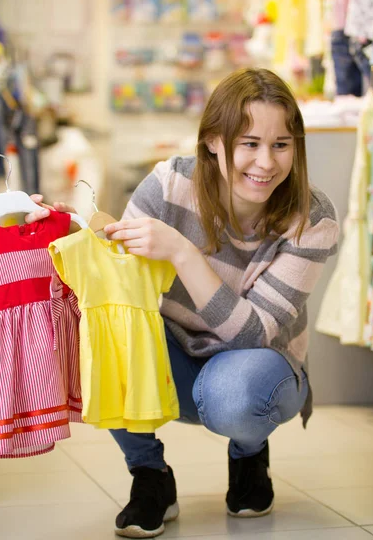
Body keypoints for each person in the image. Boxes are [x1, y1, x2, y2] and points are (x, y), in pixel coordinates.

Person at [28, 68, 339, 539]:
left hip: (256, 369)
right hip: (173, 357)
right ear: (214, 141)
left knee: (239, 394)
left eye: (282, 144)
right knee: (99, 327)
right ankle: (150, 476)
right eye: (249, 143)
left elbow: (253, 335)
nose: (266, 162)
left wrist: (181, 252)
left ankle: (248, 455)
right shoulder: (171, 183)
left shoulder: (312, 218)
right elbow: (118, 272)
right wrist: (59, 225)